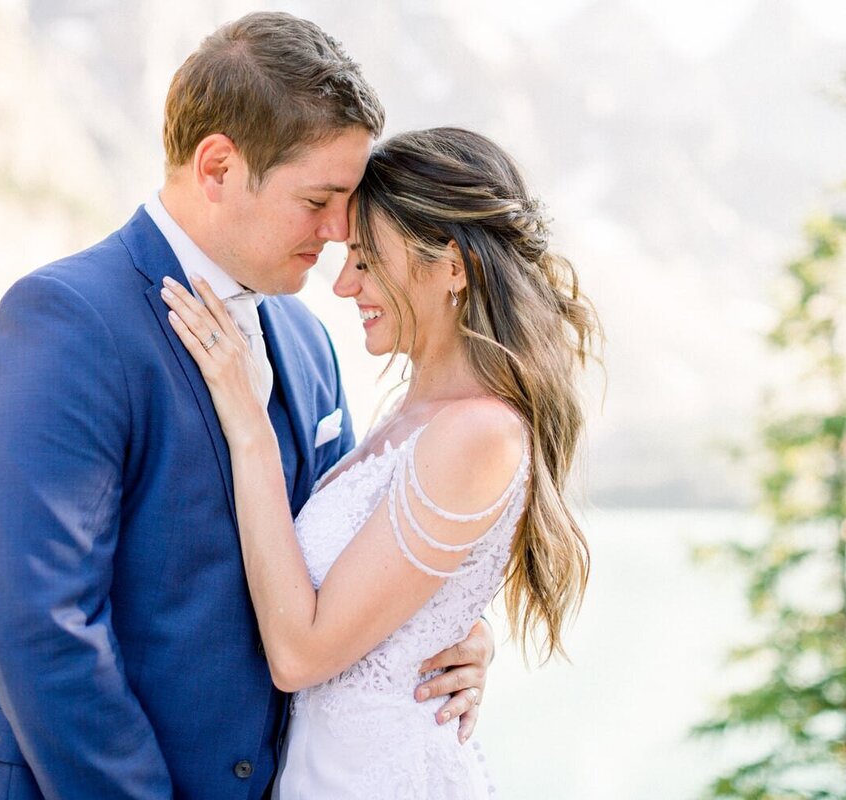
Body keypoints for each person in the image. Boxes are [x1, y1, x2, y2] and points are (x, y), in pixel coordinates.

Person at [0, 14, 494, 800]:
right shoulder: (64, 322)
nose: (340, 233)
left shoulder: (306, 344)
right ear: (218, 167)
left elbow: (340, 566)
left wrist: (455, 640)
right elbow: (44, 630)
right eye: (319, 199)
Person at [159, 126, 598, 798]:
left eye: (365, 260)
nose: (341, 285)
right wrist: (467, 630)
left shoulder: (478, 432)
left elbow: (300, 653)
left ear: (452, 266)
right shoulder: (407, 419)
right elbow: (396, 597)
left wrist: (249, 427)